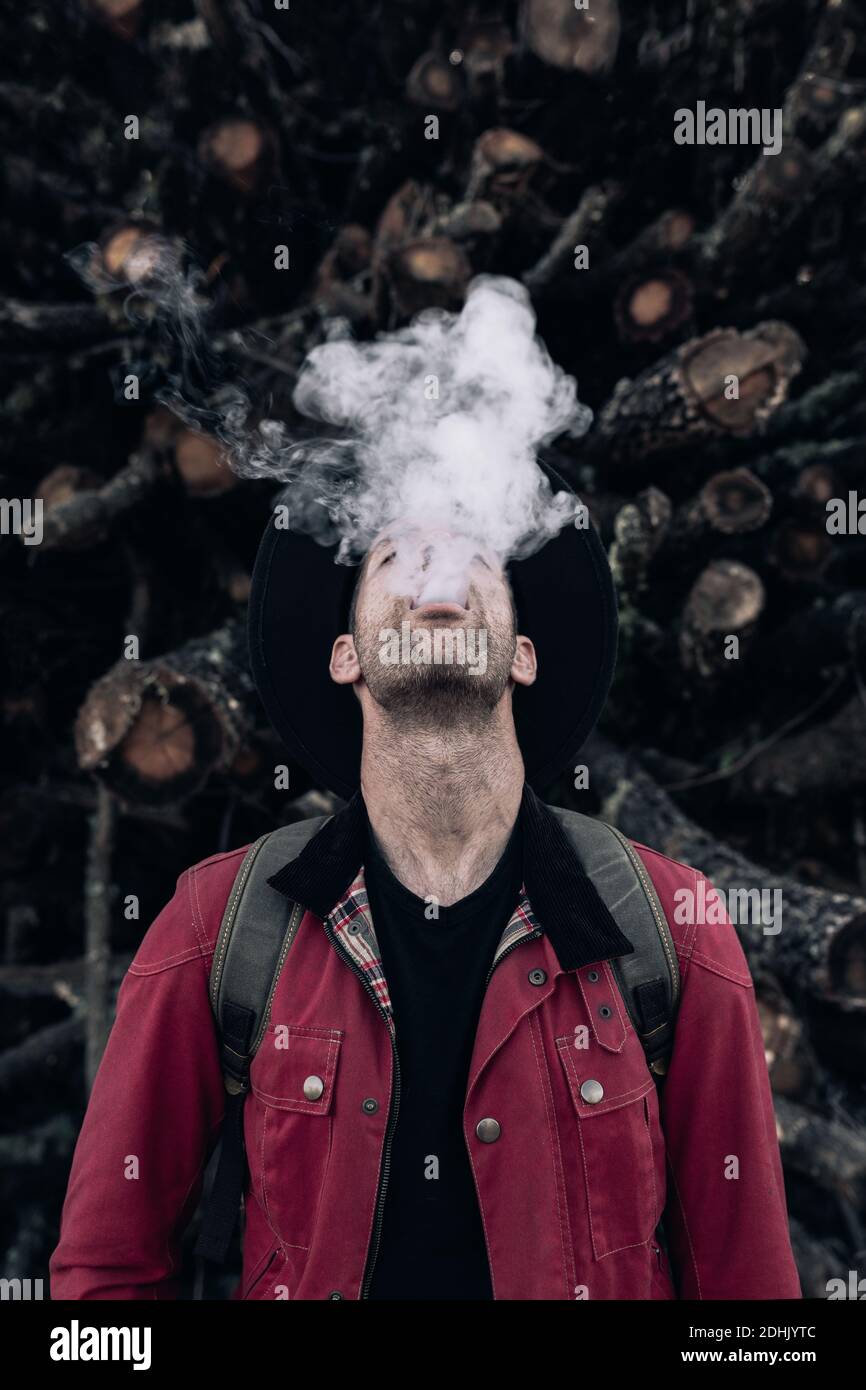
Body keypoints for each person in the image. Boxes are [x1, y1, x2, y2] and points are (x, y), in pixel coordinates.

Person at [50, 470, 801, 1301]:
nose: (434, 571)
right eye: (394, 557)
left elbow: (752, 1304)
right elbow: (105, 1277)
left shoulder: (673, 929)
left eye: (475, 553)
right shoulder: (217, 925)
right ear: (346, 655)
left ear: (522, 652)